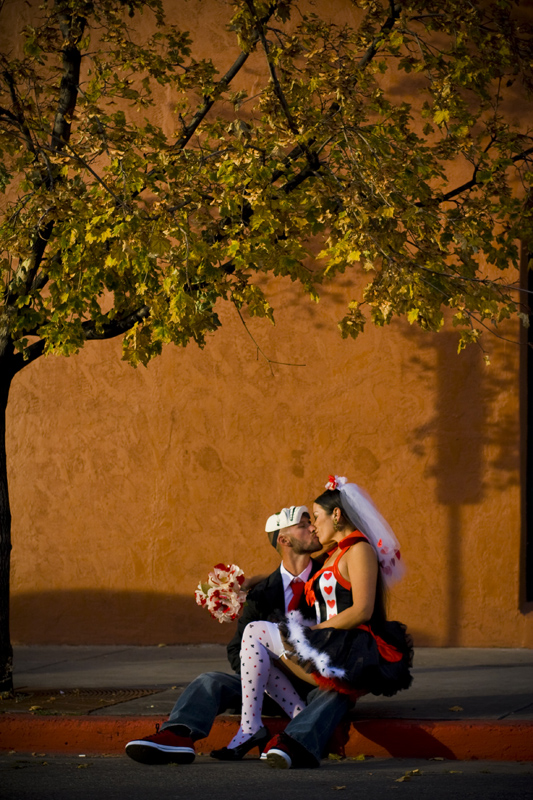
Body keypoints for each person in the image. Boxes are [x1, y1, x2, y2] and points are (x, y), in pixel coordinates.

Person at [125, 504, 350, 766]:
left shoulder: (331, 573)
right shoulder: (261, 592)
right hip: (265, 686)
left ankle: (296, 741)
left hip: (314, 680)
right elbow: (236, 650)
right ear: (284, 539)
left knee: (339, 693)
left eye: (311, 521)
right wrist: (267, 668)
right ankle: (177, 734)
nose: (312, 527)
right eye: (303, 524)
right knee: (210, 680)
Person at [224, 475, 413, 769]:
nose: (313, 525)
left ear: (337, 515)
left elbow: (363, 610)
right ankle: (297, 717)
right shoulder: (332, 555)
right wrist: (250, 583)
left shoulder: (359, 549)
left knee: (255, 631)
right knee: (259, 648)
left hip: (347, 648)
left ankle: (252, 727)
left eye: (316, 516)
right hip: (328, 644)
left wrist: (314, 631)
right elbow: (294, 569)